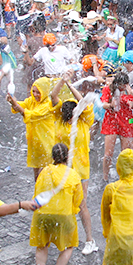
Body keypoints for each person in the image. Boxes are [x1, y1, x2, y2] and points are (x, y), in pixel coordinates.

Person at [50, 76, 98, 255]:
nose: (69, 118)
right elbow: (53, 96)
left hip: (80, 170)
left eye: (72, 115)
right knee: (63, 204)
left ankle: (89, 240)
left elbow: (84, 101)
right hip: (62, 170)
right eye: (67, 115)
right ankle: (65, 238)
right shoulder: (59, 118)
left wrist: (70, 85)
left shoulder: (84, 121)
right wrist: (62, 81)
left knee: (81, 205)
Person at [30, 143, 85, 265]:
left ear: (52, 156)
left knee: (42, 245)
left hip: (42, 214)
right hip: (64, 215)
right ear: (68, 157)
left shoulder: (44, 171)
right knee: (68, 246)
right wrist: (72, 210)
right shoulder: (72, 174)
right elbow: (78, 199)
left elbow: (37, 191)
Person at [8, 77, 58, 179]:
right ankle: (37, 193)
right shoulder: (32, 101)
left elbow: (30, 115)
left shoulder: (47, 105)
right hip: (35, 144)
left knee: (45, 175)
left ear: (44, 91)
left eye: (38, 92)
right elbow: (20, 106)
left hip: (46, 144)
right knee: (37, 176)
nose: (35, 94)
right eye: (33, 91)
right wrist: (12, 102)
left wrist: (15, 104)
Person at [99, 72, 133, 185]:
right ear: (117, 83)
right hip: (111, 121)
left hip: (126, 121)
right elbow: (104, 104)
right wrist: (111, 105)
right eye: (122, 85)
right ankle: (105, 178)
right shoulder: (108, 89)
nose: (123, 87)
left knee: (125, 153)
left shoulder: (127, 90)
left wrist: (131, 102)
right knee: (108, 154)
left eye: (125, 85)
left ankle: (124, 177)